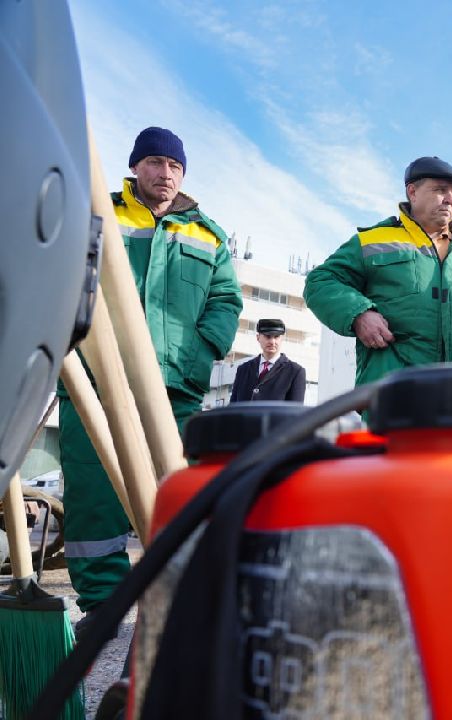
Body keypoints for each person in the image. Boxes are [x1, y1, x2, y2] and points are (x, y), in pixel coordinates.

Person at [59, 126, 242, 635]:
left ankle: (177, 594)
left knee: (175, 489)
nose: (165, 174)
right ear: (136, 166)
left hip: (174, 386)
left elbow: (226, 300)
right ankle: (103, 604)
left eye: (174, 166)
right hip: (97, 378)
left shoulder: (208, 234)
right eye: (156, 163)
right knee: (94, 491)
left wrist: (201, 353)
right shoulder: (98, 212)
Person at [304, 156, 452, 386]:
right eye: (440, 190)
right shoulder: (372, 242)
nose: (449, 199)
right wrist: (358, 314)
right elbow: (320, 281)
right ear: (412, 192)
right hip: (392, 392)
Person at [229, 319, 307, 403]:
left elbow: (295, 412)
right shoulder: (243, 369)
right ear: (258, 337)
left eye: (276, 337)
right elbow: (233, 406)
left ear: (282, 338)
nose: (272, 342)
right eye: (268, 336)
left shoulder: (295, 372)